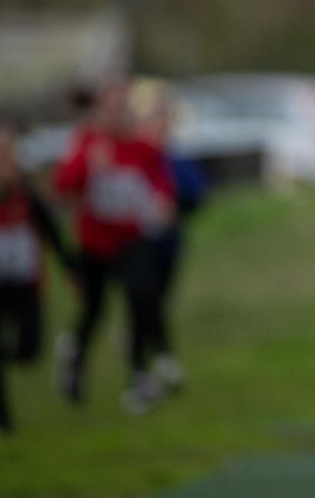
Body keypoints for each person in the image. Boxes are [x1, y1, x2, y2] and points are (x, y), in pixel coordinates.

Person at [52, 78, 177, 414]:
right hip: (93, 243)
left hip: (130, 238)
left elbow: (160, 178)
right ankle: (74, 357)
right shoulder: (85, 142)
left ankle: (139, 378)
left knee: (141, 296)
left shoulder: (141, 146)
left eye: (124, 105)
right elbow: (61, 186)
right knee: (94, 310)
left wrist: (163, 199)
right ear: (98, 108)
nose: (118, 112)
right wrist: (87, 166)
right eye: (112, 105)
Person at [0, 118, 78, 434]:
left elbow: (53, 236)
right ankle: (1, 419)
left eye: (9, 160)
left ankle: (2, 357)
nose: (4, 169)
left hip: (27, 285)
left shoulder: (28, 199)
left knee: (29, 349)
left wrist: (70, 269)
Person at [131, 78, 205, 396]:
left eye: (166, 119)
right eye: (155, 118)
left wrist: (175, 205)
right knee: (145, 301)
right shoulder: (132, 159)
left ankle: (155, 357)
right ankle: (153, 364)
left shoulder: (175, 160)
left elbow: (197, 194)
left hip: (168, 245)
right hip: (137, 247)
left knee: (157, 301)